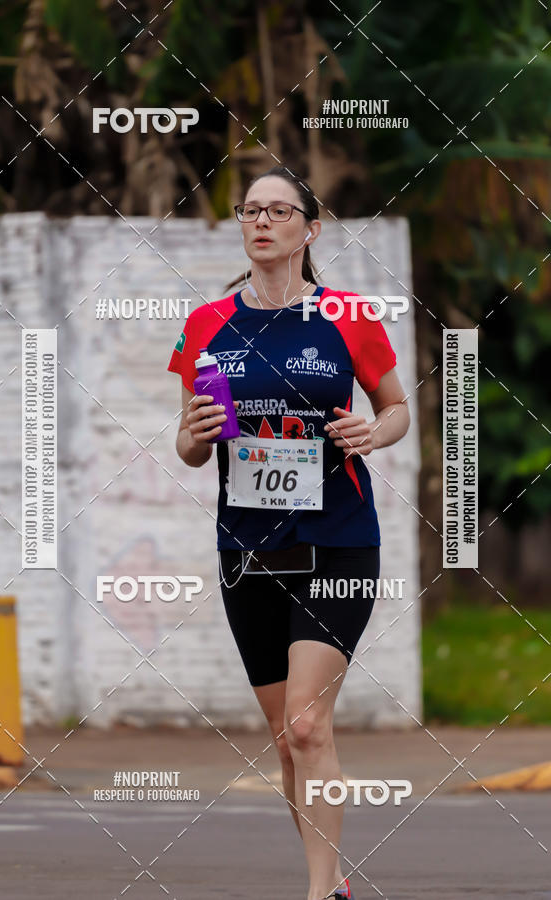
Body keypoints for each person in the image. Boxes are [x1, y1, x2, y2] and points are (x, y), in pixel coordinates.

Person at [167, 164, 410, 900]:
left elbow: (397, 407)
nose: (262, 221)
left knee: (308, 727)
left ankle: (316, 896)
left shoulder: (349, 317)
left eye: (279, 210)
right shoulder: (208, 324)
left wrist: (374, 433)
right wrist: (195, 436)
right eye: (250, 210)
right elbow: (187, 440)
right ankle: (330, 879)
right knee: (285, 740)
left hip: (338, 539)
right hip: (248, 549)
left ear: (310, 228)